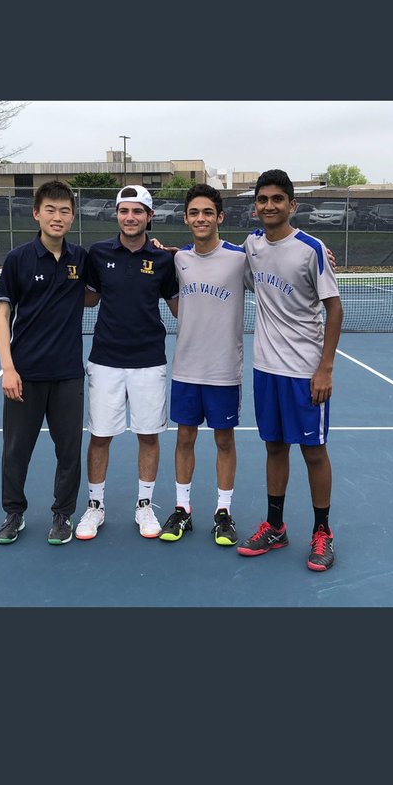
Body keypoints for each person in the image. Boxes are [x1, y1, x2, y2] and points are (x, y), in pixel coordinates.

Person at [238, 169, 343, 571]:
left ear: (292, 205)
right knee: (275, 447)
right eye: (263, 199)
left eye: (277, 199)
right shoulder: (252, 246)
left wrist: (325, 368)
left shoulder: (311, 249)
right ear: (256, 206)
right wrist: (167, 250)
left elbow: (334, 307)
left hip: (305, 371)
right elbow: (217, 253)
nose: (269, 205)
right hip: (266, 369)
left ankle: (323, 531)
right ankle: (276, 526)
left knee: (314, 452)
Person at [75, 185, 179, 540]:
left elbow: (180, 307)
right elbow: (88, 299)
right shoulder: (98, 254)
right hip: (105, 360)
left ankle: (144, 506)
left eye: (137, 211)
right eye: (124, 211)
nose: (130, 217)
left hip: (149, 361)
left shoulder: (165, 260)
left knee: (148, 435)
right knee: (100, 436)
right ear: (117, 215)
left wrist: (185, 259)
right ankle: (94, 507)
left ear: (150, 217)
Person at [0, 179, 89, 546]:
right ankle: (13, 513)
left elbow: (108, 278)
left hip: (67, 376)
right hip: (25, 376)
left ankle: (62, 515)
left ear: (73, 217)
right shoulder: (17, 259)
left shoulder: (82, 259)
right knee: (16, 450)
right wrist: (9, 368)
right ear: (36, 213)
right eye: (50, 209)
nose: (57, 217)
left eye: (65, 211)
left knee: (68, 452)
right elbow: (3, 316)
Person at [159, 184, 247, 547]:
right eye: (194, 213)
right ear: (186, 218)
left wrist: (320, 252)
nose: (201, 218)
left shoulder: (241, 259)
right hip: (186, 368)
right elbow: (175, 294)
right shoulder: (178, 260)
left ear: (220, 217)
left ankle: (223, 512)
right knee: (184, 437)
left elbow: (277, 267)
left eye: (207, 212)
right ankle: (183, 510)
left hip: (224, 369)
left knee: (224, 440)